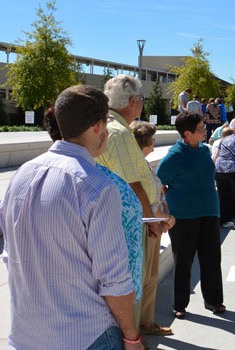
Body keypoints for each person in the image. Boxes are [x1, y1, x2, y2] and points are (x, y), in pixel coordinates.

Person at [0, 85, 143, 349]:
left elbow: (10, 255)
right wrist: (132, 337)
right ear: (99, 126)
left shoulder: (22, 174)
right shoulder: (97, 186)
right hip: (87, 334)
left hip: (26, 333)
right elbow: (115, 281)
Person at [96, 74, 164, 335]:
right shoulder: (120, 132)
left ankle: (141, 329)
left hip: (127, 217)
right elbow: (132, 185)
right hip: (132, 222)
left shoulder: (113, 127)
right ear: (133, 101)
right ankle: (133, 336)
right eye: (142, 99)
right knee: (135, 280)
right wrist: (151, 221)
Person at [157, 111, 226, 319]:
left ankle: (214, 300)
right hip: (184, 216)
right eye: (201, 128)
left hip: (210, 211)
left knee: (212, 259)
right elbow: (160, 180)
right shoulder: (174, 155)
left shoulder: (205, 151)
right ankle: (180, 304)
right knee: (183, 261)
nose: (205, 131)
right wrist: (173, 202)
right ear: (187, 133)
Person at [129, 120, 177, 337]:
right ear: (145, 142)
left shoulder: (144, 163)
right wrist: (167, 218)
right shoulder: (134, 166)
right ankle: (136, 329)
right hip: (145, 227)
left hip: (153, 225)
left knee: (150, 278)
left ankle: (146, 323)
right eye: (153, 139)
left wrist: (161, 217)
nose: (155, 143)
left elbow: (157, 193)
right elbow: (141, 202)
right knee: (143, 279)